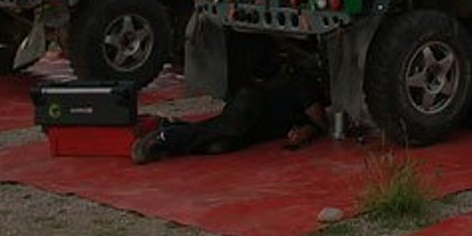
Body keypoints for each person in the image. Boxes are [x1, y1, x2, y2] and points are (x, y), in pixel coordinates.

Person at [132, 66, 329, 163]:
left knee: (221, 144)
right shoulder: (306, 85)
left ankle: (172, 130)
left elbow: (311, 121)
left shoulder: (305, 112)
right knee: (226, 127)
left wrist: (309, 131)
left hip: (258, 126)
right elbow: (315, 114)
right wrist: (325, 130)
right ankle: (166, 138)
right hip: (252, 103)